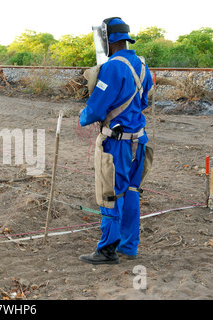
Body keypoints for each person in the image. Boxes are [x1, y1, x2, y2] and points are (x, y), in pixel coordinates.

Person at [78, 17, 153, 264]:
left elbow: (95, 111)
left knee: (110, 195)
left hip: (117, 145)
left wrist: (82, 115)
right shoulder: (142, 65)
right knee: (131, 191)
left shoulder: (111, 67)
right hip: (139, 142)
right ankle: (128, 246)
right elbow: (143, 103)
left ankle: (107, 250)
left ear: (107, 39)